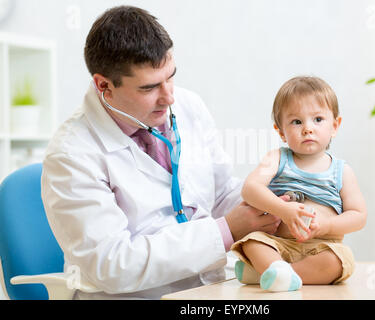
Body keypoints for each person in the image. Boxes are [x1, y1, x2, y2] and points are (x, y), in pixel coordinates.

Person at [41, 5, 283, 299]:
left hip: (205, 293)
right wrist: (225, 232)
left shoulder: (187, 105)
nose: (169, 97)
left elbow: (219, 195)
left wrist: (274, 200)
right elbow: (112, 265)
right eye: (149, 88)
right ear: (104, 85)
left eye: (171, 77)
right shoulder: (71, 154)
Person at [230, 76, 367, 292]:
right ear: (281, 132)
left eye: (318, 119)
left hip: (320, 247)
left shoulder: (342, 172)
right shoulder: (276, 158)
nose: (307, 129)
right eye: (296, 122)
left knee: (340, 260)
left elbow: (358, 216)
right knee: (252, 241)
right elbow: (250, 189)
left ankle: (272, 273)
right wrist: (282, 209)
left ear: (335, 125)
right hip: (279, 245)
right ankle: (275, 269)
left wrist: (328, 226)